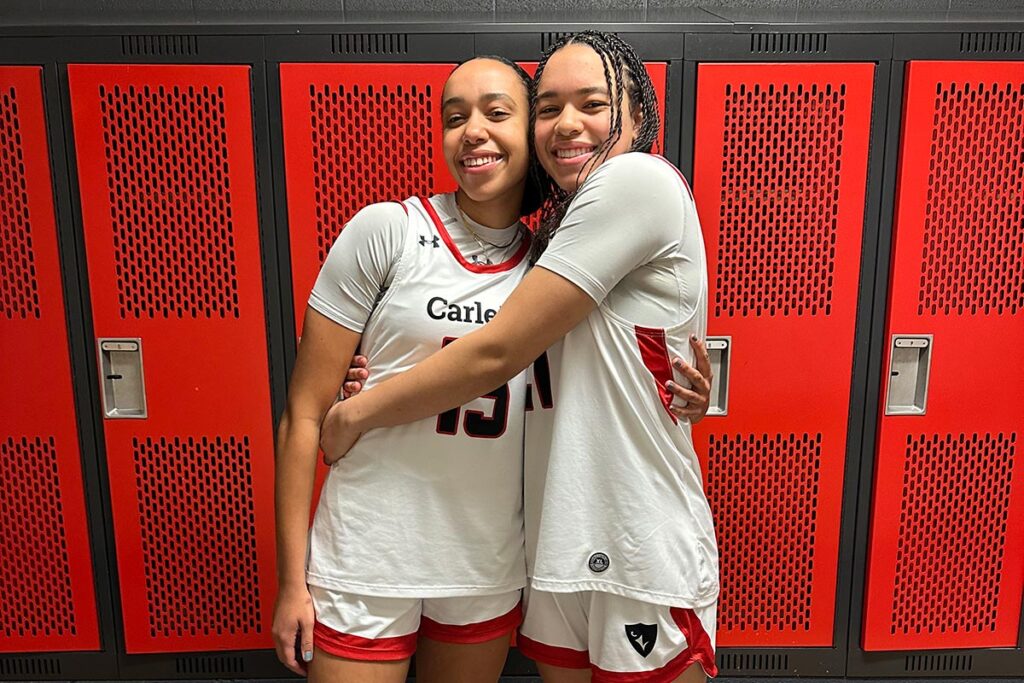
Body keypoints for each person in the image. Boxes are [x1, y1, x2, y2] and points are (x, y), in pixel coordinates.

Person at [321, 31, 720, 683]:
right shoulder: (553, 236)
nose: (567, 124)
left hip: (636, 537)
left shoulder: (637, 180)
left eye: (593, 104)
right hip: (560, 537)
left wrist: (355, 413)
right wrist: (380, 359)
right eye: (550, 107)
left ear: (638, 115)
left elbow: (498, 349)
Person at [273, 56, 542, 683]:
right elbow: (304, 414)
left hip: (484, 560)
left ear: (531, 132)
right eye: (455, 118)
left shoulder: (552, 265)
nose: (471, 130)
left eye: (496, 113)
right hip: (368, 553)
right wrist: (292, 581)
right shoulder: (388, 230)